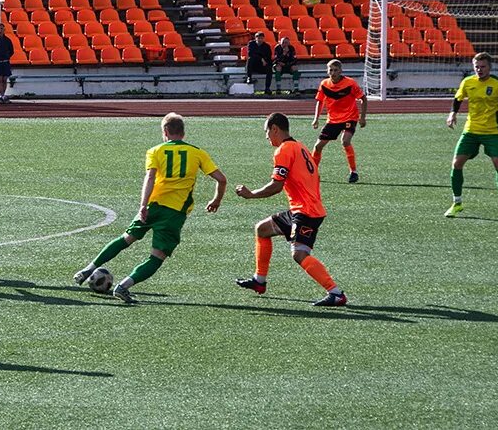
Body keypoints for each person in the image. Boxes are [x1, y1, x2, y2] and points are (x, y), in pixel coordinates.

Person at [73, 113, 227, 303]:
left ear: (165, 131)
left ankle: (88, 268)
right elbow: (221, 179)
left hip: (152, 206)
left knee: (126, 239)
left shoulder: (155, 151)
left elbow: (150, 178)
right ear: (183, 132)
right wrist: (216, 200)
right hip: (174, 213)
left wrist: (143, 205)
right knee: (157, 257)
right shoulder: (198, 153)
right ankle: (123, 286)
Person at [234, 112, 347, 307]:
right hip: (301, 209)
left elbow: (276, 186)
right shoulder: (300, 146)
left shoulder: (284, 150)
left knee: (299, 254)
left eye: (267, 132)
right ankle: (259, 281)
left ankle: (336, 293)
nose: (266, 136)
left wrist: (251, 194)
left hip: (306, 212)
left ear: (275, 129)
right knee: (262, 229)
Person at [445, 52, 498, 220]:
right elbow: (458, 98)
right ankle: (457, 203)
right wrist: (452, 113)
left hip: (492, 132)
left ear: (489, 67)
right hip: (471, 130)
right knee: (456, 163)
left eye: (483, 66)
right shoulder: (467, 82)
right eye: (476, 66)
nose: (479, 69)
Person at [310, 59, 367, 183]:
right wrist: (316, 119)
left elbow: (363, 98)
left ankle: (353, 172)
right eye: (331, 70)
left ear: (341, 71)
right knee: (318, 146)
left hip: (349, 117)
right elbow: (319, 102)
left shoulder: (350, 83)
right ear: (327, 71)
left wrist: (362, 117)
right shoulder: (324, 84)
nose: (333, 72)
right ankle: (313, 173)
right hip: (333, 120)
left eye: (336, 70)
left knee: (345, 141)